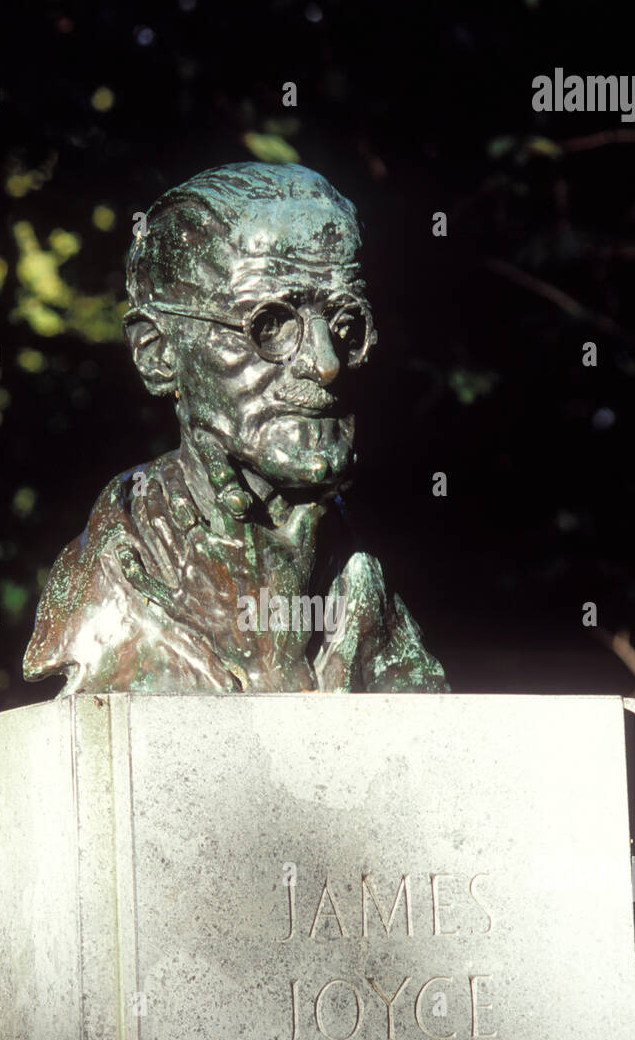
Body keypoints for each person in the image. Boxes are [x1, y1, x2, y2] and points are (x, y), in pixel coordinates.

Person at [23, 162, 447, 694]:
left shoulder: (365, 580)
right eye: (270, 325)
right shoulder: (113, 586)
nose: (326, 363)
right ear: (158, 353)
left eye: (345, 324)